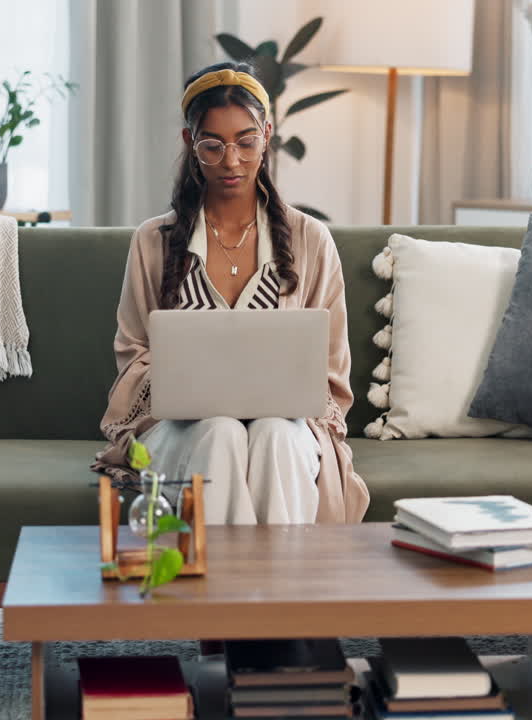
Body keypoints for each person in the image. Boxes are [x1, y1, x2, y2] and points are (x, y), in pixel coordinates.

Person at [92, 62, 369, 525]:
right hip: (179, 428)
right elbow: (134, 355)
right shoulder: (152, 240)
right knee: (219, 433)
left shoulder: (310, 239)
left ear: (267, 134)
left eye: (246, 142)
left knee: (276, 435)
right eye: (213, 145)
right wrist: (190, 390)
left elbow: (330, 370)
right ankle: (224, 592)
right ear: (190, 143)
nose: (231, 161)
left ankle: (273, 589)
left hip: (287, 426)